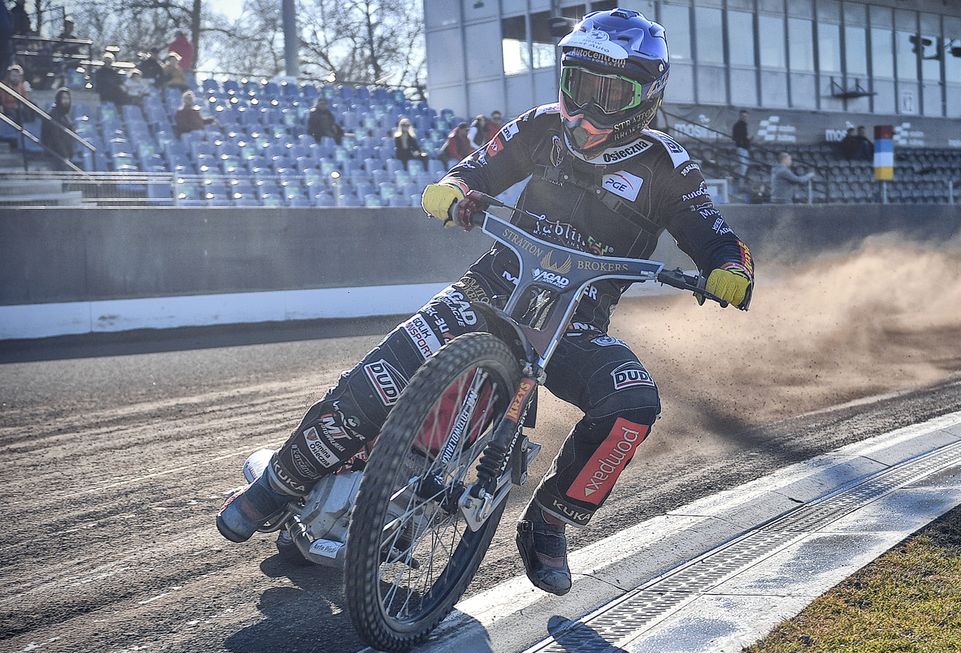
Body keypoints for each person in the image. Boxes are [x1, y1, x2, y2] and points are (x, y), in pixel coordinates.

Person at [216, 8, 754, 599]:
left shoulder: (668, 165)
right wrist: (456, 190)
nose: (588, 105)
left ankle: (550, 520)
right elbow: (476, 169)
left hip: (573, 327)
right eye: (578, 84)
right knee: (380, 374)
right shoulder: (539, 126)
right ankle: (276, 487)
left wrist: (728, 268)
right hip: (486, 293)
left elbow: (711, 231)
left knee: (633, 403)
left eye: (609, 92)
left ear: (645, 95)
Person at [41, 87, 74, 169]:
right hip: (56, 154)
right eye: (63, 98)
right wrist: (64, 154)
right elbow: (55, 136)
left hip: (64, 153)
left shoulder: (64, 115)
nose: (66, 101)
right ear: (58, 99)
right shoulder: (53, 114)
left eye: (68, 98)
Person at [732, 109, 750, 181]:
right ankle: (741, 182)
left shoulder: (744, 125)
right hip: (741, 147)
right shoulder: (738, 125)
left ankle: (741, 180)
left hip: (745, 148)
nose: (745, 117)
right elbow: (735, 137)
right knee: (743, 166)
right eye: (743, 116)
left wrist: (747, 139)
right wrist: (743, 139)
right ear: (740, 116)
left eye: (746, 116)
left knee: (744, 166)